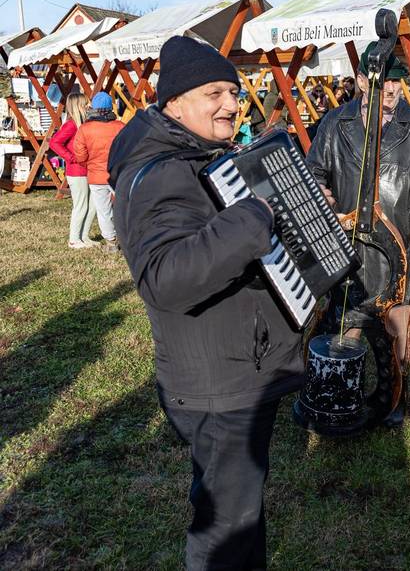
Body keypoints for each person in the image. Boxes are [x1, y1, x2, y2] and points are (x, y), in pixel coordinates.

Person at [107, 36, 305, 570]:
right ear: (173, 102)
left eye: (234, 92)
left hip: (235, 365)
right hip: (219, 384)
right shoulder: (161, 172)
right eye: (213, 92)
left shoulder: (198, 156)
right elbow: (165, 277)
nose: (230, 104)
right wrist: (256, 218)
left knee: (236, 514)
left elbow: (217, 242)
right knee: (225, 532)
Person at [306, 42, 410, 425]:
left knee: (396, 330)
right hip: (348, 242)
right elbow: (314, 173)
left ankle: (394, 397)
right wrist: (320, 191)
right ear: (360, 81)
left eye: (396, 82)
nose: (389, 89)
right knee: (347, 321)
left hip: (398, 243)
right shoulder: (335, 123)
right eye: (381, 81)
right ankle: (343, 393)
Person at [73, 91, 125, 253]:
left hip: (96, 176)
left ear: (93, 108)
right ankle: (128, 238)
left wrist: (91, 165)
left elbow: (80, 155)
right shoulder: (120, 127)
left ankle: (111, 242)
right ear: (110, 108)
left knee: (104, 211)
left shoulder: (85, 129)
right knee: (124, 207)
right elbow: (129, 149)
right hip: (118, 174)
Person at [49, 93, 96, 249]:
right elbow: (55, 143)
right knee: (81, 205)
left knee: (93, 205)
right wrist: (71, 157)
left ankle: (84, 236)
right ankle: (74, 239)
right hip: (76, 172)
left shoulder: (83, 123)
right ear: (78, 106)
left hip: (87, 169)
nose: (89, 106)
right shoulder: (71, 125)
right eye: (85, 103)